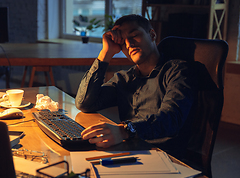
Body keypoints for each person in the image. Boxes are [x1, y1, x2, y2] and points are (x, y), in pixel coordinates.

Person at [75, 14, 198, 158]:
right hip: (128, 150)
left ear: (152, 34)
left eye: (134, 35)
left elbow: (171, 118)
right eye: (123, 43)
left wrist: (125, 130)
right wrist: (105, 54)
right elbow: (84, 103)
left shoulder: (177, 71)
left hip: (163, 156)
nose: (129, 44)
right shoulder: (124, 78)